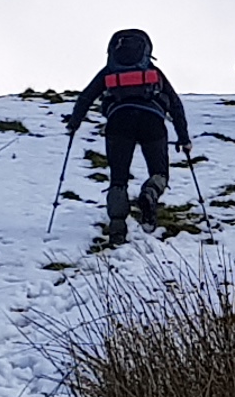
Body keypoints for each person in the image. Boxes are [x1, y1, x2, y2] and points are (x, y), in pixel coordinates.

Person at [62, 27, 192, 246]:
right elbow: (175, 105)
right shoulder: (154, 71)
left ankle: (117, 231)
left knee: (118, 178)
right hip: (152, 120)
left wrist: (74, 124)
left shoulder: (108, 72)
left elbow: (86, 97)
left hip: (118, 122)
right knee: (159, 172)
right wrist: (184, 138)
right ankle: (150, 192)